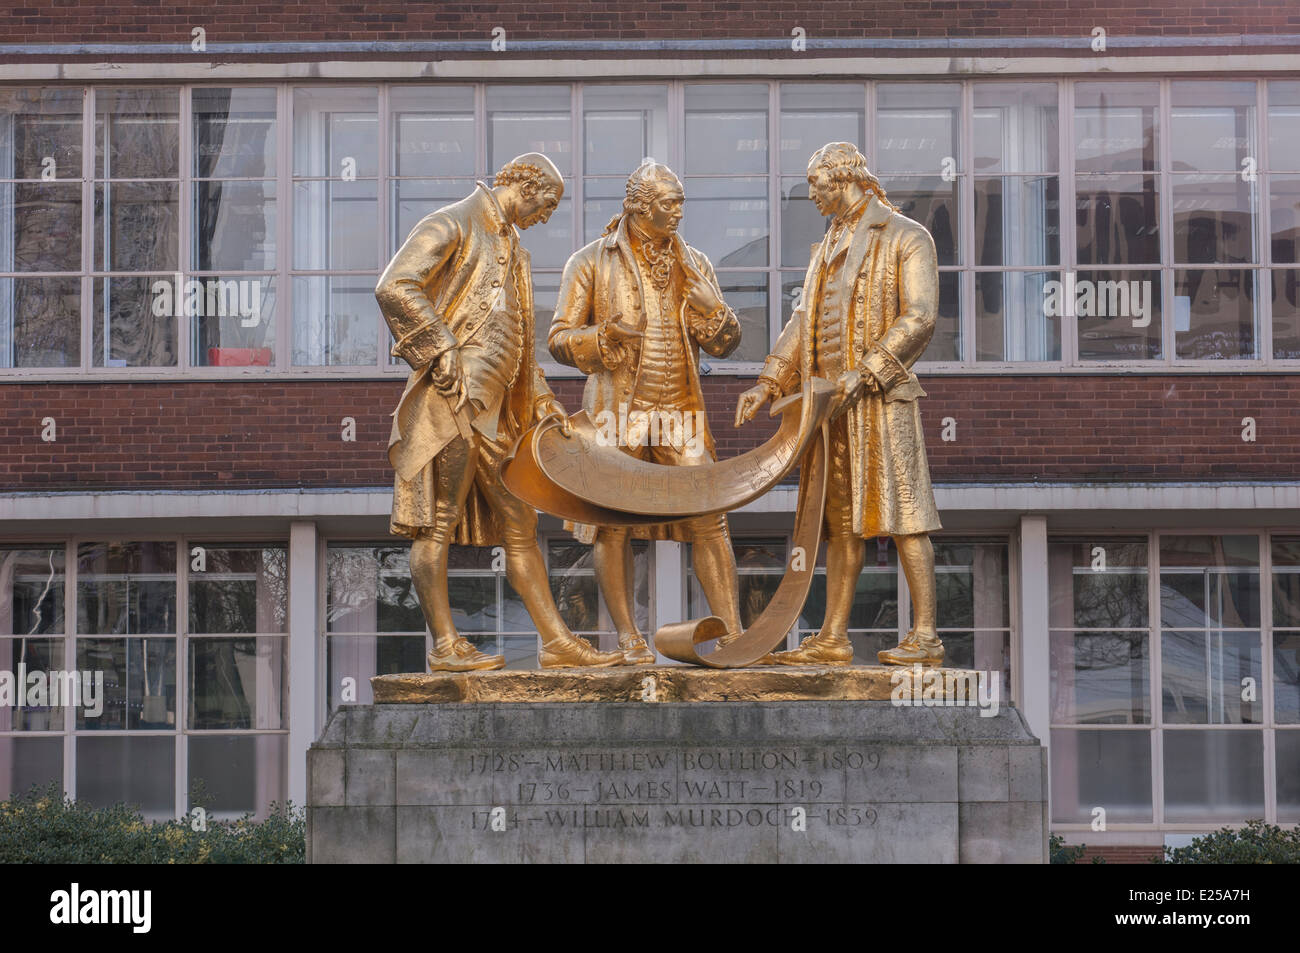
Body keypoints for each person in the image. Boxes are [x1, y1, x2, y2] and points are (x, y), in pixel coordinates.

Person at [376, 152, 624, 671]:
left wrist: (544, 402)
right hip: (453, 402)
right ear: (523, 183)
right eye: (548, 202)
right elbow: (395, 285)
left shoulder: (517, 251)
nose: (548, 215)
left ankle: (557, 643)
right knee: (437, 524)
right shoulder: (452, 222)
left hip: (500, 416)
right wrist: (440, 351)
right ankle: (446, 647)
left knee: (521, 523)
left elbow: (520, 345)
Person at [735, 142, 945, 667]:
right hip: (826, 406)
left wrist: (868, 371)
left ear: (842, 177)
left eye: (815, 184)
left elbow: (919, 317)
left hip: (880, 400)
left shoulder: (905, 235)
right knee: (838, 520)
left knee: (905, 514)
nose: (810, 195)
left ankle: (926, 635)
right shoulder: (826, 244)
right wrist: (768, 379)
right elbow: (802, 321)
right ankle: (833, 636)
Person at [549, 160, 744, 664]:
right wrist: (599, 339)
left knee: (710, 518)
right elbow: (558, 338)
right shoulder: (590, 261)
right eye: (669, 202)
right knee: (613, 524)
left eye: (681, 200)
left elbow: (724, 344)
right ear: (639, 205)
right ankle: (628, 638)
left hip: (680, 410)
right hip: (618, 411)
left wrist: (715, 310)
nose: (679, 211)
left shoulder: (694, 261)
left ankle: (734, 635)